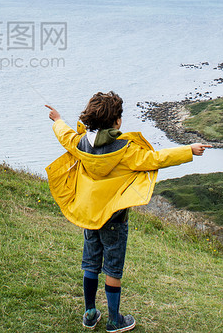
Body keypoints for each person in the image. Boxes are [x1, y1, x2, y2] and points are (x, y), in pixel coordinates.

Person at [44, 92, 210, 332]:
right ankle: (114, 320)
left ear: (90, 119)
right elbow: (156, 159)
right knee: (113, 269)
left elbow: (64, 134)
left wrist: (57, 119)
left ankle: (90, 313)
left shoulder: (80, 144)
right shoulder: (125, 150)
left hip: (90, 217)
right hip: (115, 219)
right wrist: (188, 150)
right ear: (117, 122)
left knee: (90, 264)